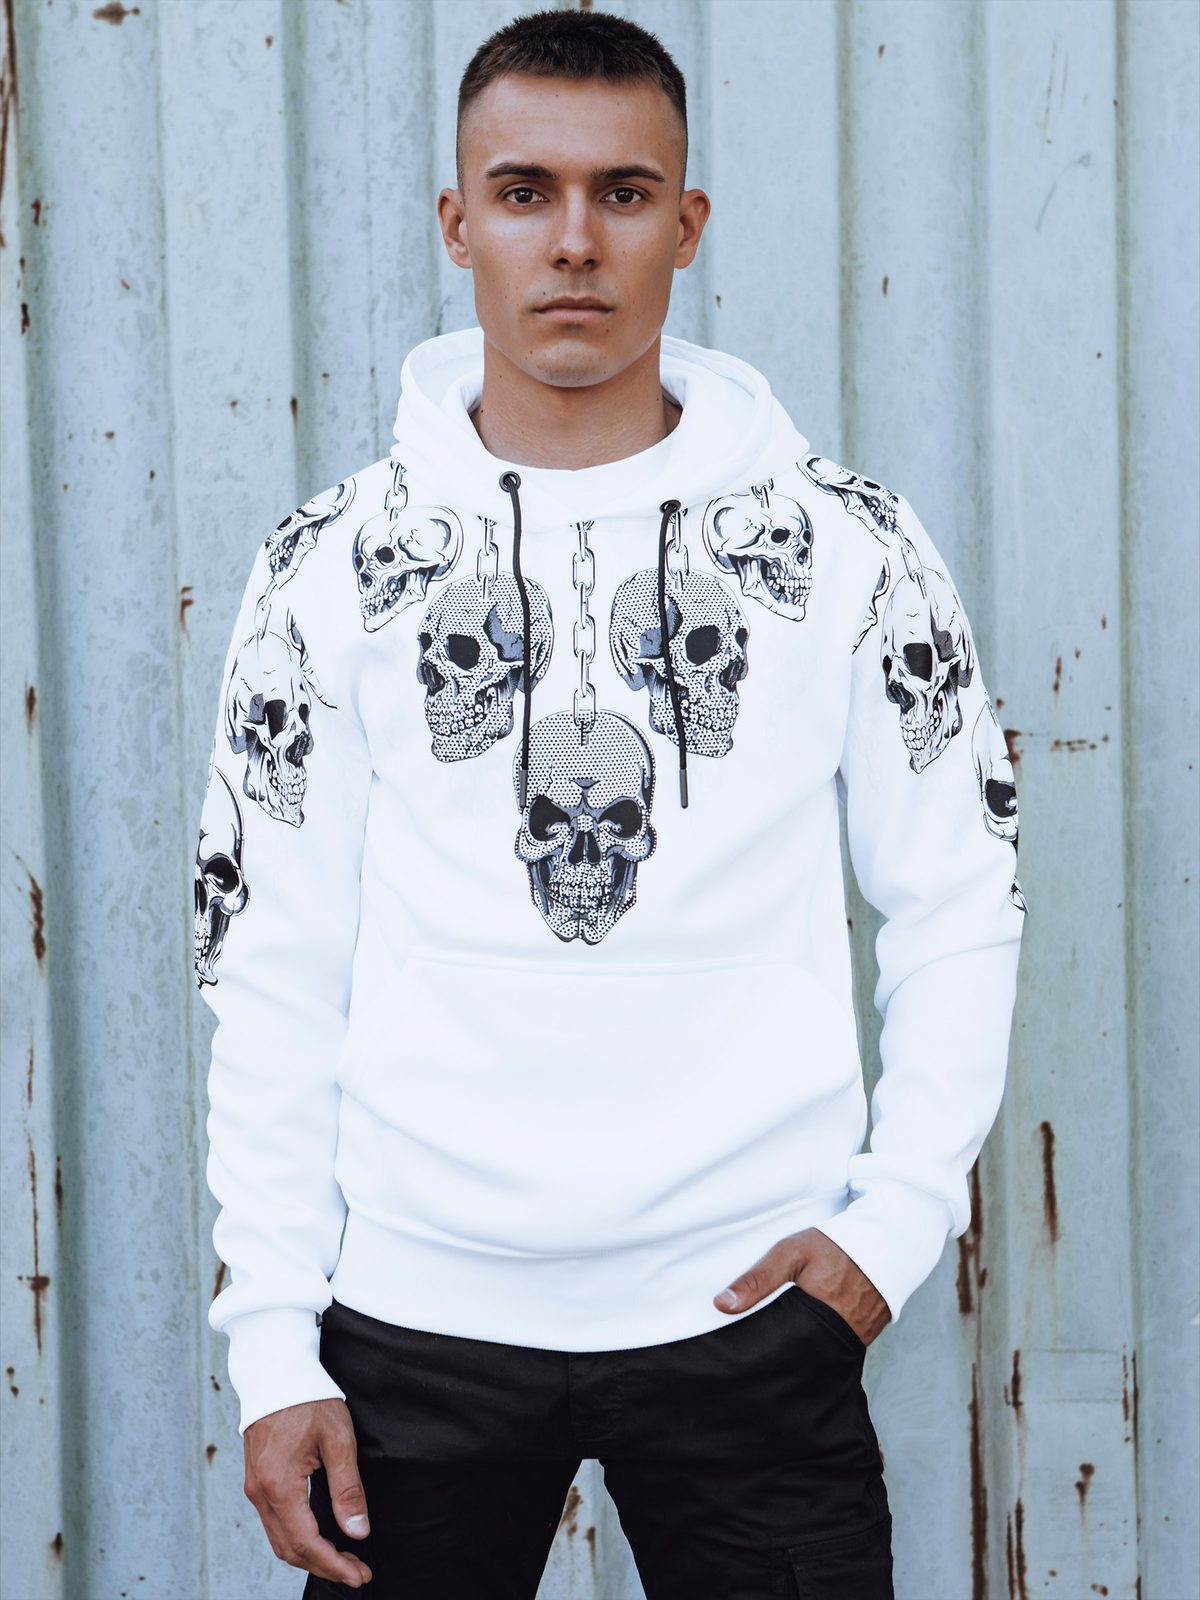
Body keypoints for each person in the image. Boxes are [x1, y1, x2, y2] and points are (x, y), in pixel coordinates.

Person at [194, 9, 1027, 1598]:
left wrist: (892, 1230)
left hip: (751, 1320)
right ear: (458, 225)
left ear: (686, 224)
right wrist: (274, 1347)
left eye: (623, 194)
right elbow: (269, 965)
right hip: (415, 1330)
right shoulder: (331, 566)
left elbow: (959, 901)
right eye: (525, 193)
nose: (573, 242)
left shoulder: (848, 549)